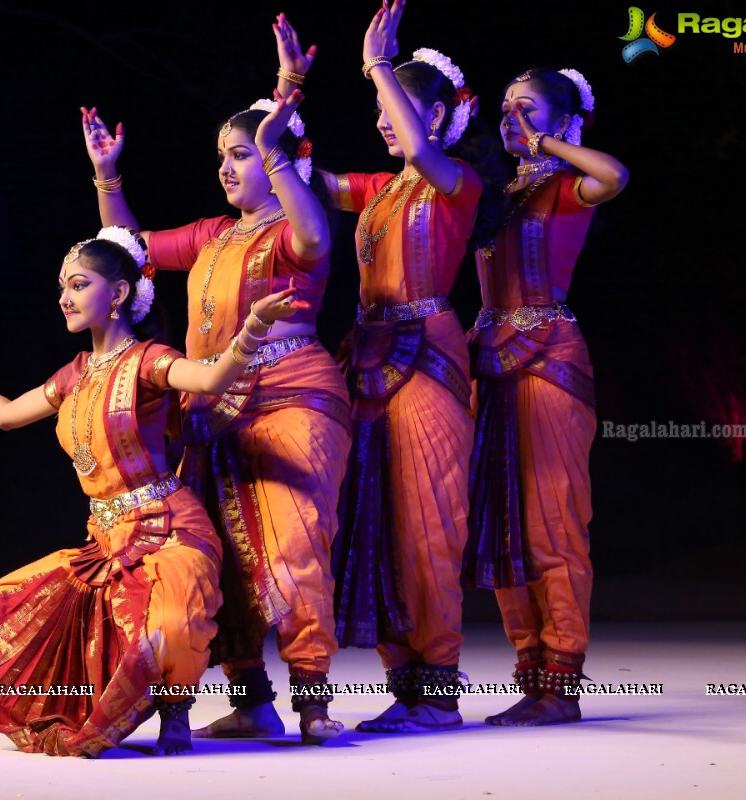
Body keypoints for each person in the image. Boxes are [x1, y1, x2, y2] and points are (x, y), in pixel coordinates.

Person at [0, 226, 306, 756]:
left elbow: (208, 382)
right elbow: (4, 416)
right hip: (106, 542)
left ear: (117, 295)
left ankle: (176, 714)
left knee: (169, 620)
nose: (64, 298)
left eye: (78, 284)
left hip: (170, 533)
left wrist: (254, 325)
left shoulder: (148, 361)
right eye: (61, 288)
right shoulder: (73, 374)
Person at [80, 91, 352, 744]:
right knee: (222, 558)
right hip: (210, 411)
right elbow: (126, 248)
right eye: (222, 157)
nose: (227, 168)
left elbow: (314, 237)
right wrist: (108, 175)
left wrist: (276, 157)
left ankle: (313, 702)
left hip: (292, 398)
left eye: (242, 156)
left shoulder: (292, 226)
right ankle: (253, 701)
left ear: (280, 162)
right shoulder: (213, 233)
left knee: (293, 546)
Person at [272, 2, 481, 732]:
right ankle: (406, 687)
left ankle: (439, 691)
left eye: (403, 108)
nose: (386, 119)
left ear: (442, 118)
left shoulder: (454, 181)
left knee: (430, 523)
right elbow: (296, 171)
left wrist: (378, 64)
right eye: (381, 107)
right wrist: (288, 84)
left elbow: (423, 152)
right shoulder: (378, 189)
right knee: (377, 520)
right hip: (363, 360)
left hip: (426, 355)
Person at [465, 67, 628, 726]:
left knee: (551, 521)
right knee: (503, 525)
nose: (513, 120)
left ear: (563, 120)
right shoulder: (495, 195)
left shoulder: (566, 185)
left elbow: (615, 175)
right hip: (490, 364)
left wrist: (549, 143)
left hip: (548, 362)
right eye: (506, 111)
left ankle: (561, 680)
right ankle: (531, 673)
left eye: (527, 109)